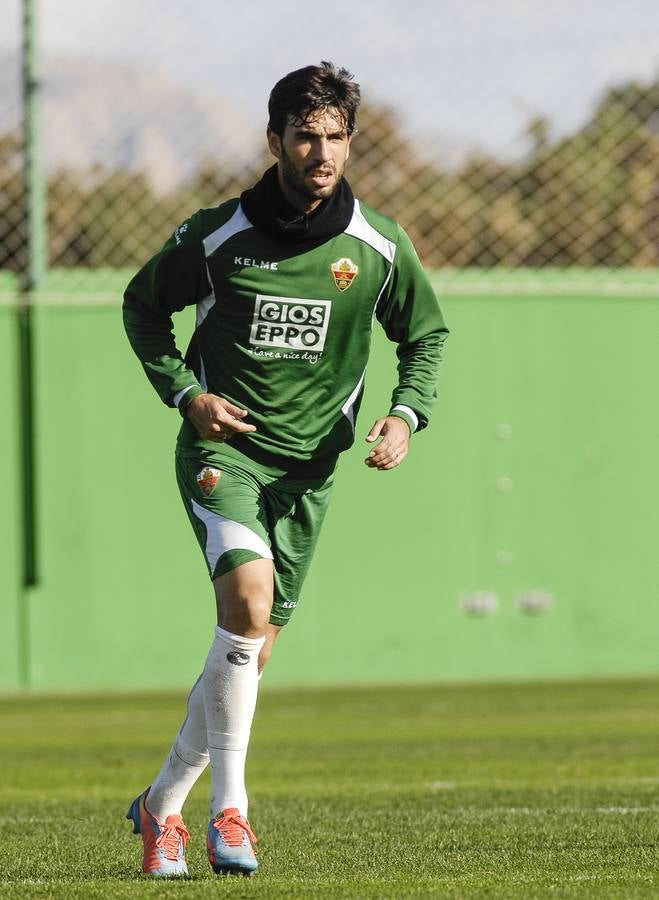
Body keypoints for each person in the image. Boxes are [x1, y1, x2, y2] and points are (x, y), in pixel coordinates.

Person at [122, 61, 448, 878]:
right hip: (223, 454)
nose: (322, 151)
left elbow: (426, 337)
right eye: (305, 135)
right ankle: (230, 814)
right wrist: (187, 395)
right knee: (247, 598)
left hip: (311, 475)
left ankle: (161, 806)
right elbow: (142, 305)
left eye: (336, 136)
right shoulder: (218, 233)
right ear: (274, 141)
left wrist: (406, 414)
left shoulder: (377, 245)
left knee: (250, 649)